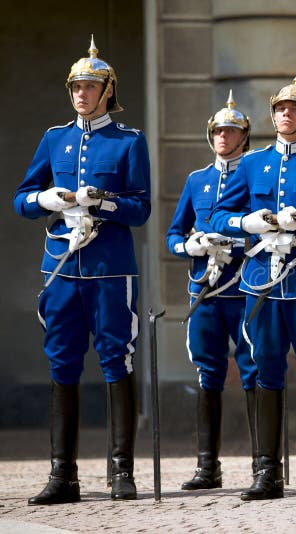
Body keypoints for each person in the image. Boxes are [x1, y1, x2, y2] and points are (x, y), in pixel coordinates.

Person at [14, 36, 151, 504]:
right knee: (62, 363)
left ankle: (121, 472)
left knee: (117, 361)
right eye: (76, 86)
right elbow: (21, 198)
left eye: (90, 86)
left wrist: (104, 201)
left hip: (111, 269)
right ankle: (62, 476)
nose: (81, 94)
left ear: (108, 90)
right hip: (61, 268)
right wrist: (46, 200)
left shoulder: (129, 141)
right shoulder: (54, 138)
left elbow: (140, 209)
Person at [209, 68, 296, 500]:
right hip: (259, 284)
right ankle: (266, 472)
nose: (285, 114)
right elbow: (217, 216)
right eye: (279, 108)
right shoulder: (251, 163)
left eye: (294, 109)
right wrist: (245, 222)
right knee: (264, 372)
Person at [165, 91, 258, 490]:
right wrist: (190, 246)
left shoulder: (256, 176)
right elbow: (172, 234)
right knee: (207, 374)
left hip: (244, 289)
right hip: (204, 292)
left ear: (244, 137)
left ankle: (263, 465)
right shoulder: (197, 180)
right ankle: (208, 467)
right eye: (218, 130)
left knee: (255, 372)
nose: (223, 136)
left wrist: (234, 245)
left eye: (231, 130)